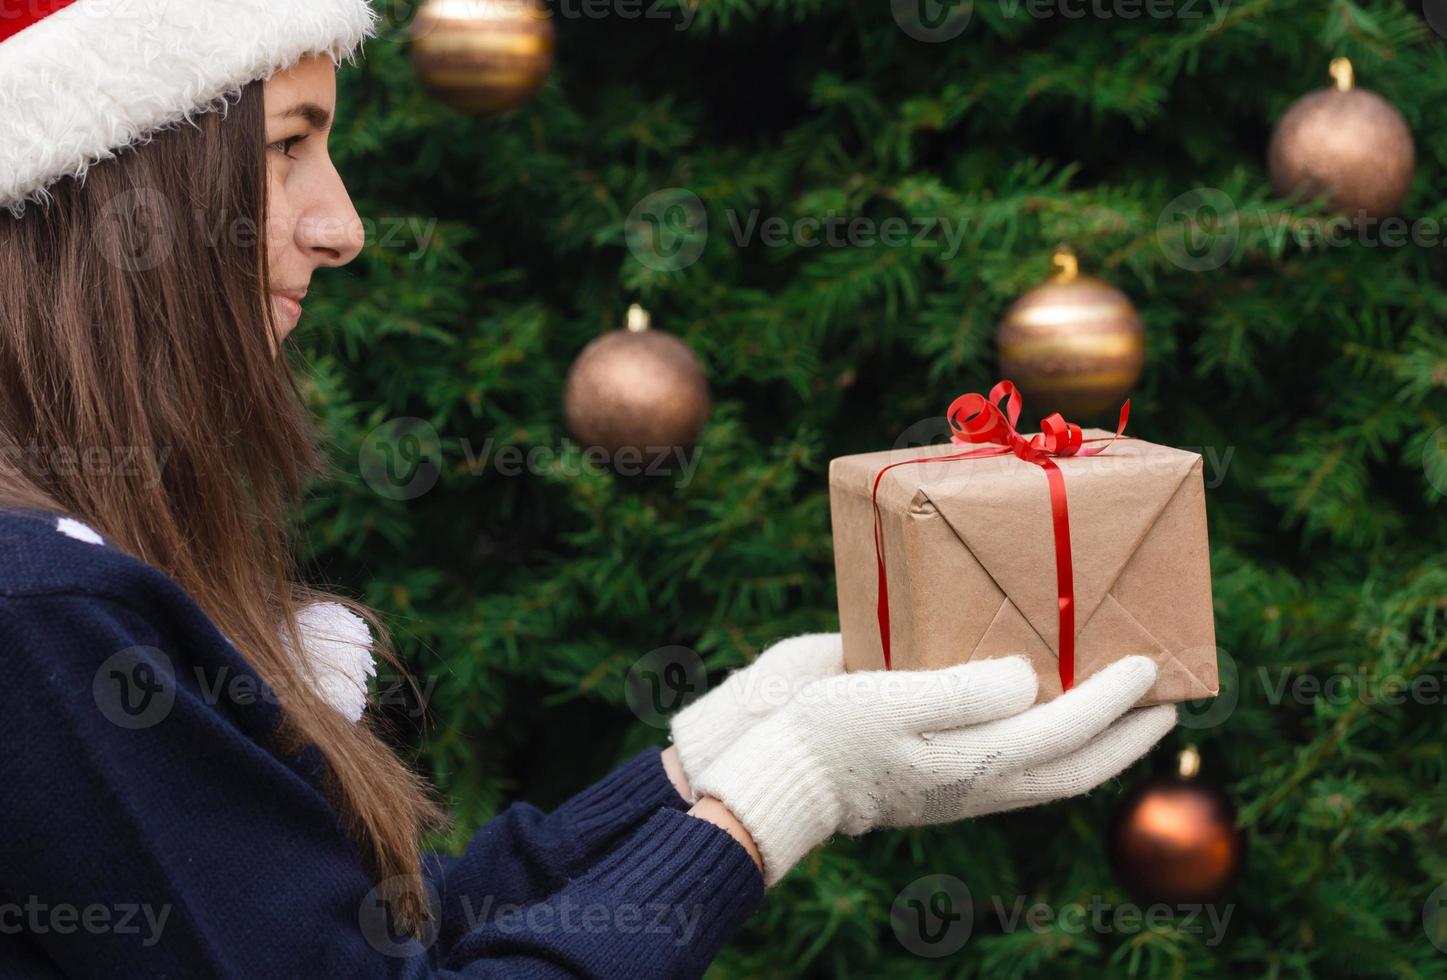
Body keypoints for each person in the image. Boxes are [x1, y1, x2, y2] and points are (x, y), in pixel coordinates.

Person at [0, 1, 1178, 976]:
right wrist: (782, 796)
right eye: (287, 143)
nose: (342, 223)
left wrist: (711, 760)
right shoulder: (43, 614)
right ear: (111, 186)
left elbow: (376, 946)